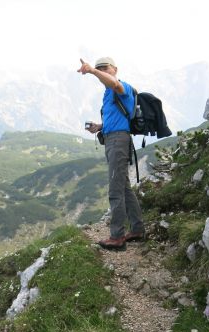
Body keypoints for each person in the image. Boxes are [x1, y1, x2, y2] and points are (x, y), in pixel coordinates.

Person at [77, 56, 145, 251]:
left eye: (105, 68)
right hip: (112, 139)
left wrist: (91, 70)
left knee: (115, 188)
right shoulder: (108, 94)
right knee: (123, 187)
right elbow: (116, 118)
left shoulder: (121, 87)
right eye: (99, 68)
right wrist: (99, 127)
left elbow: (114, 83)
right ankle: (138, 228)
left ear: (115, 69)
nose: (102, 71)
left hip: (118, 142)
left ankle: (117, 237)